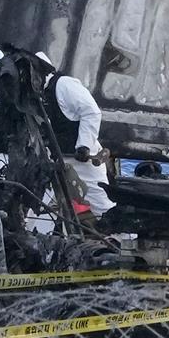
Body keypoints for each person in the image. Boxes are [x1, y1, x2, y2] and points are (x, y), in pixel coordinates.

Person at [36, 52, 115, 216]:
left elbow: (91, 112)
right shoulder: (37, 93)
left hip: (83, 160)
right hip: (57, 158)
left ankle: (121, 238)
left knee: (102, 202)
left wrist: (84, 146)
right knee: (39, 204)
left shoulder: (64, 85)